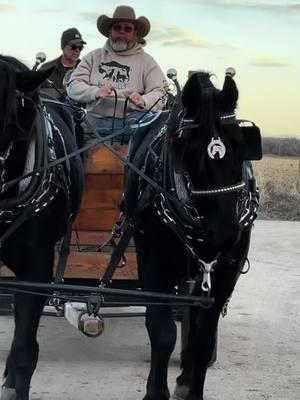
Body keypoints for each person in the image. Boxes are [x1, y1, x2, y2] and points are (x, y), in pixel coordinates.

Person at [66, 5, 167, 142]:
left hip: (133, 125)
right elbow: (73, 85)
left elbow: (161, 93)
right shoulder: (93, 57)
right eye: (117, 28)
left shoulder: (147, 62)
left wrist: (143, 100)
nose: (122, 32)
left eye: (127, 28)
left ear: (135, 33)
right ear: (110, 31)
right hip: (94, 123)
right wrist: (94, 92)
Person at [40, 27, 86, 93]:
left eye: (80, 47)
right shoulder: (45, 69)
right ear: (63, 47)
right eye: (74, 47)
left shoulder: (87, 70)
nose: (77, 50)